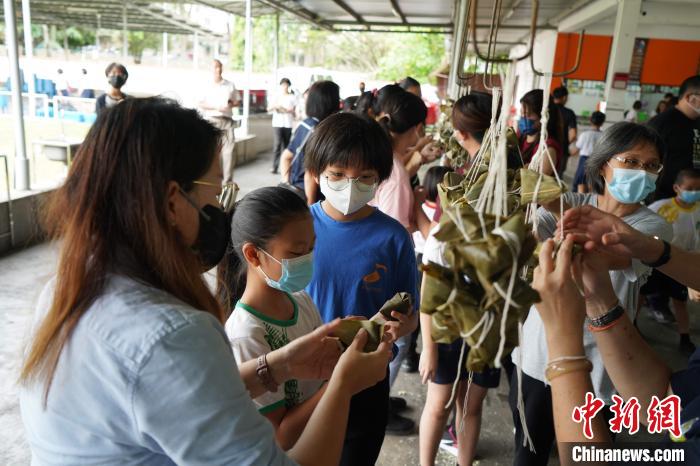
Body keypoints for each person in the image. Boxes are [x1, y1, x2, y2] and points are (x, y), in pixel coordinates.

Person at [18, 97, 392, 465]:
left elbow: (177, 400)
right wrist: (342, 385)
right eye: (217, 192)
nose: (220, 210)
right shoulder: (171, 334)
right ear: (172, 201)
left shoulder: (68, 290)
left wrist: (280, 366)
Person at [510, 122, 673, 466]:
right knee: (528, 452)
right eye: (630, 161)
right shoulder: (573, 201)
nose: (640, 172)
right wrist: (527, 185)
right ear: (603, 166)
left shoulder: (652, 226)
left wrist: (559, 215)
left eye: (650, 165)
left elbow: (611, 255)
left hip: (604, 369)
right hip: (539, 355)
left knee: (587, 453)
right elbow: (527, 232)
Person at [304, 112, 420, 458]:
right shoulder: (296, 229)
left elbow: (408, 314)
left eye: (364, 177)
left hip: (366, 376)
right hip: (304, 373)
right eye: (338, 175)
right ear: (317, 172)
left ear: (379, 178)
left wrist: (402, 326)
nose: (350, 186)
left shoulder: (394, 237)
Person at [418, 92, 513, 466]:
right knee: (439, 404)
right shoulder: (446, 233)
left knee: (471, 405)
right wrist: (427, 345)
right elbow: (430, 290)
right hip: (447, 329)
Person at [218, 186, 329, 451]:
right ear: (254, 255)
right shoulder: (246, 334)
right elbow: (280, 437)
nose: (307, 259)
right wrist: (341, 384)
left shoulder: (300, 298)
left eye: (311, 248)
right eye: (295, 253)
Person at [640, 168, 700, 354]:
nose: (694, 192)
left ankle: (684, 338)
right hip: (658, 261)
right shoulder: (661, 207)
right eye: (689, 188)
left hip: (682, 262)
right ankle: (632, 325)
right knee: (641, 295)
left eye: (698, 189)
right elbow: (644, 227)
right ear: (676, 188)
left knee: (679, 301)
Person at [280, 80, 340, 203]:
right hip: (308, 195)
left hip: (295, 191)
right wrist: (310, 207)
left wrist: (286, 183)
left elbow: (286, 157)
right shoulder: (323, 130)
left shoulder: (306, 124)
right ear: (330, 101)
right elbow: (310, 174)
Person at [648, 75, 700, 200]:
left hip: (693, 194)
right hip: (664, 195)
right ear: (690, 98)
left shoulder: (697, 121)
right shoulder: (661, 124)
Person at [198, 59, 239, 185]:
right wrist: (216, 107)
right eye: (216, 67)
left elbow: (237, 101)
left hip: (227, 121)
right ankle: (211, 180)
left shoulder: (229, 85)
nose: (218, 70)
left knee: (229, 152)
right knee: (211, 152)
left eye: (220, 67)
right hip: (211, 121)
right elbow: (200, 103)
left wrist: (231, 103)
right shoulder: (205, 85)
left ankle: (227, 182)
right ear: (211, 69)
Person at [518, 89, 564, 176]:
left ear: (543, 117)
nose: (523, 118)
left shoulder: (547, 149)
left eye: (527, 114)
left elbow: (536, 183)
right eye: (521, 114)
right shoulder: (521, 137)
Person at [571, 111, 606, 193]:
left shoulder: (585, 134)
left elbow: (577, 148)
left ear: (591, 120)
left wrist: (568, 154)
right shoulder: (604, 136)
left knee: (581, 182)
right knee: (593, 184)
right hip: (597, 161)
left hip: (584, 160)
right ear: (602, 123)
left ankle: (580, 203)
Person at [269, 78, 296, 175]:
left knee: (286, 145)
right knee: (277, 144)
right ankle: (274, 166)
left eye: (286, 85)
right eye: (283, 85)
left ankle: (285, 167)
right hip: (277, 124)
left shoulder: (292, 97)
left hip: (288, 124)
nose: (285, 87)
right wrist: (276, 107)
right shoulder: (276, 96)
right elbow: (269, 108)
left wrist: (288, 110)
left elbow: (295, 111)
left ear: (289, 86)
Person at [552, 86, 578, 174]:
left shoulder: (547, 110)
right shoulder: (569, 113)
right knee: (557, 178)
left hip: (545, 147)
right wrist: (565, 142)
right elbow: (573, 134)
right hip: (561, 150)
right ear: (564, 97)